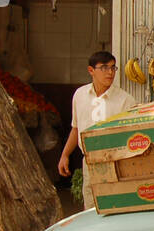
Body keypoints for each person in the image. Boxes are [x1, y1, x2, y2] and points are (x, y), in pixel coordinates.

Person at [58, 51, 136, 209]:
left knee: (116, 207)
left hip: (117, 162)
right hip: (89, 162)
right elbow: (76, 128)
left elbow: (132, 135)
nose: (110, 72)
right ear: (91, 70)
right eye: (104, 68)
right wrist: (65, 155)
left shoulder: (125, 100)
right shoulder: (80, 95)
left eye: (113, 68)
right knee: (92, 208)